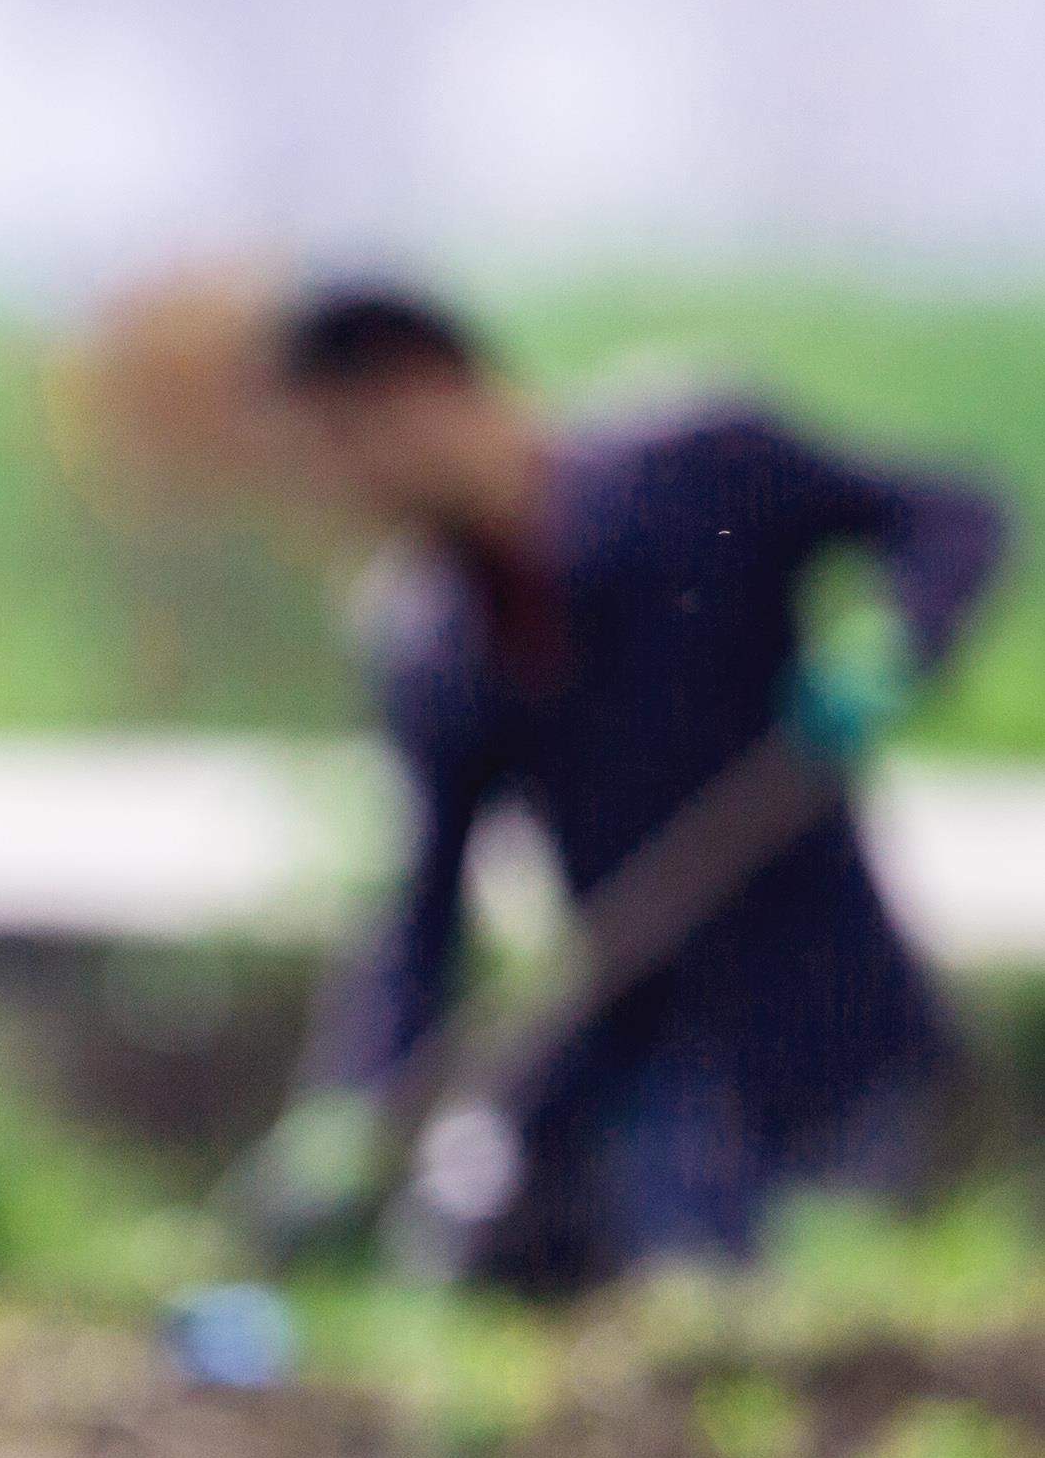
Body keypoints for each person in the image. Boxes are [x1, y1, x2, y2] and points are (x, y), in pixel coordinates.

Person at [241, 282, 1011, 1292]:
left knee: (817, 1310)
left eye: (337, 448)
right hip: (646, 1031)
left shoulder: (695, 468)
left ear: (420, 395)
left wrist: (900, 634)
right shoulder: (432, 638)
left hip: (820, 1009)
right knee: (532, 1254)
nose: (334, 490)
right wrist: (353, 1096)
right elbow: (422, 913)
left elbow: (955, 515)